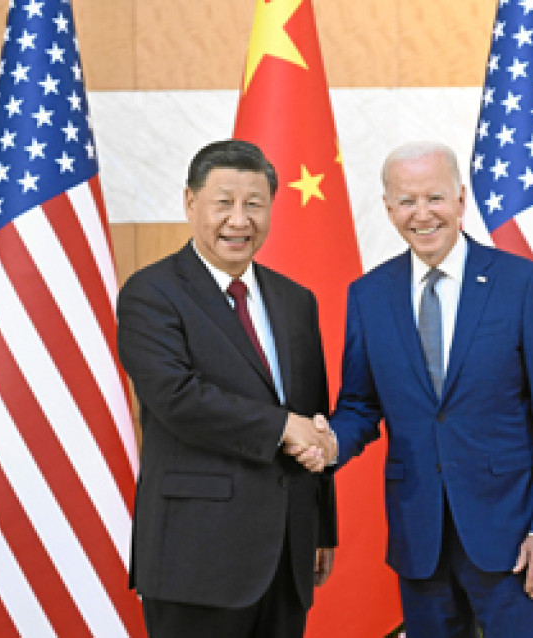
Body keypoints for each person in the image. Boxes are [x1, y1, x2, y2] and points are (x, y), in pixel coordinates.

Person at [299, 141, 533, 637]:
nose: (422, 214)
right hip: (420, 537)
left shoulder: (521, 284)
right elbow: (361, 405)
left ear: (460, 199)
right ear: (389, 210)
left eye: (435, 198)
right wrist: (330, 441)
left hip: (513, 537)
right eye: (407, 201)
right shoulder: (369, 294)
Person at [116, 139, 338, 638]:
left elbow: (313, 413)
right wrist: (283, 427)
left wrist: (320, 527)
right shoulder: (150, 294)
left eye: (254, 204)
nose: (239, 221)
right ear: (191, 202)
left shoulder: (295, 300)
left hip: (287, 552)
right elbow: (178, 398)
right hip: (196, 556)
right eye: (223, 203)